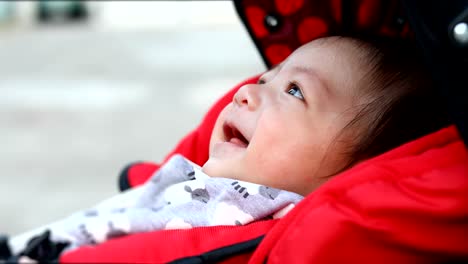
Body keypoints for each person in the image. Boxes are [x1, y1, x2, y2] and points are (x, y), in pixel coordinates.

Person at [5, 36, 450, 262]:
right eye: (266, 78)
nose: (244, 93)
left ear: (357, 173)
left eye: (295, 91)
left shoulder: (272, 238)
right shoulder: (214, 186)